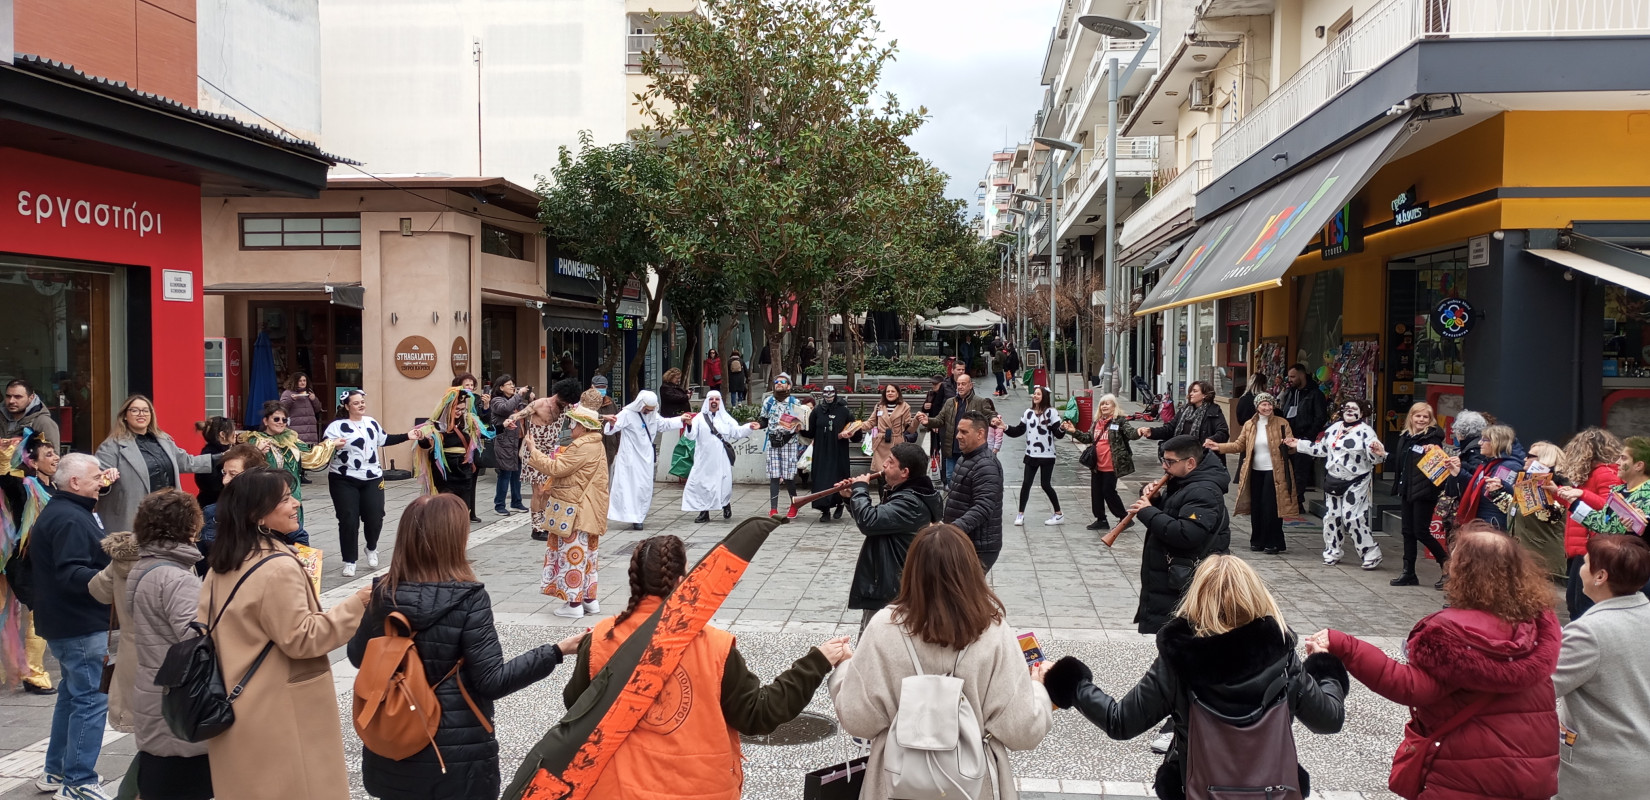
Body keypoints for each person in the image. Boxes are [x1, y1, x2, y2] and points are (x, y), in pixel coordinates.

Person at [559, 534, 852, 798]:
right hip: (700, 789)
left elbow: (576, 707)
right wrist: (817, 661)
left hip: (619, 789)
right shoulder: (714, 646)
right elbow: (757, 714)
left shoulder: (602, 638)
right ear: (681, 580)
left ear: (634, 578)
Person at [1045, 555, 1349, 800]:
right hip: (1274, 791)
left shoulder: (1179, 660)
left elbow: (1120, 721)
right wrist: (1323, 666)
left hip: (1197, 789)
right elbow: (1329, 719)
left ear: (1197, 598)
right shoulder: (1282, 658)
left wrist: (1072, 683)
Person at [348, 494, 578, 800]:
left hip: (392, 748)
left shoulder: (382, 593)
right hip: (456, 758)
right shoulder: (468, 599)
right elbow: (492, 680)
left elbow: (356, 656)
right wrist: (556, 651)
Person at [1307, 525, 1561, 800]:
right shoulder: (1535, 628)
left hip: (1463, 776)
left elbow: (1411, 686)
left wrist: (1346, 645)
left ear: (1463, 571)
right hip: (1531, 773)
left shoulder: (1450, 632)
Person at [830, 523, 1053, 800]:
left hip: (893, 783)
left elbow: (858, 720)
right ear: (972, 571)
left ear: (911, 571)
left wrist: (844, 669)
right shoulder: (995, 633)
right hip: (974, 786)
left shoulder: (882, 629)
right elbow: (1023, 731)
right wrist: (1038, 687)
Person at [200, 466, 373, 800]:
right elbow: (304, 638)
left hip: (235, 703)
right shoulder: (277, 566)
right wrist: (359, 602)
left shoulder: (226, 561)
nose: (295, 504)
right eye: (284, 499)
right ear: (258, 514)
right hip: (280, 712)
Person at [105, 490, 212, 800]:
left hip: (153, 691)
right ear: (188, 527)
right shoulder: (175, 577)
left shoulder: (146, 566)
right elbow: (195, 639)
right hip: (176, 701)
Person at [30, 453, 116, 800]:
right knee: (91, 700)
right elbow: (72, 573)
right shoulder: (69, 518)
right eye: (96, 477)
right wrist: (113, 576)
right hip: (78, 623)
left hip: (68, 622)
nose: (102, 482)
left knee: (72, 696)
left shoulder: (71, 511)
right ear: (76, 483)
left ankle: (57, 771)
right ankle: (78, 781)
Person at [1552, 534, 1650, 800]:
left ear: (1600, 576)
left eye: (1585, 564)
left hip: (1598, 768)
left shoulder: (1588, 632)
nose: (1580, 570)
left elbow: (1544, 686)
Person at [1130, 435, 1229, 637]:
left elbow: (1187, 534)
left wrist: (1148, 512)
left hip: (1187, 584)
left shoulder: (1204, 490)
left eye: (1170, 462)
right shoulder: (1185, 482)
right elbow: (1173, 511)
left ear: (1191, 463)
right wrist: (1156, 499)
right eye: (1163, 460)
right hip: (1173, 581)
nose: (1164, 467)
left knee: (1184, 644)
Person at [839, 443, 942, 631]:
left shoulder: (911, 502)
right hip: (889, 580)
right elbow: (877, 524)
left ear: (905, 472)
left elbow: (869, 521)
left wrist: (861, 488)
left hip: (891, 586)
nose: (884, 465)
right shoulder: (905, 494)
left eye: (890, 462)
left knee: (874, 642)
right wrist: (849, 498)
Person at [524, 405, 610, 620]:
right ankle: (589, 600)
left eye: (573, 423)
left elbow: (556, 468)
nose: (570, 427)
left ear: (582, 426)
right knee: (587, 556)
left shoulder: (582, 446)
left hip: (575, 510)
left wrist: (533, 451)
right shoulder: (595, 444)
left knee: (572, 555)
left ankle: (573, 604)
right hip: (588, 509)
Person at [95, 393, 222, 536]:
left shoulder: (164, 440)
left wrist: (223, 457)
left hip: (168, 514)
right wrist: (106, 480)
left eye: (145, 410)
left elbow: (187, 462)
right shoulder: (112, 446)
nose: (141, 414)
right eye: (135, 410)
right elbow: (98, 481)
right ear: (124, 415)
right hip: (133, 519)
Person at [325, 390, 415, 578]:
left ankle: (371, 547)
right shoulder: (336, 426)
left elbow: (384, 439)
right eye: (356, 403)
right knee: (348, 519)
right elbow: (324, 448)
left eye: (362, 402)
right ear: (347, 406)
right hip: (343, 478)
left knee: (376, 516)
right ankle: (349, 561)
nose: (361, 405)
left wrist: (408, 435)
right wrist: (333, 444)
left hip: (372, 477)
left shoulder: (371, 422)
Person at [1286, 399, 1385, 569]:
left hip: (1357, 480)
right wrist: (1299, 444)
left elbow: (1375, 457)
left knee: (1351, 516)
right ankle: (1332, 550)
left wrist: (1379, 453)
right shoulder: (1333, 429)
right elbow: (1321, 449)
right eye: (1347, 408)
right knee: (1332, 516)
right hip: (1333, 479)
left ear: (1361, 412)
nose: (1349, 411)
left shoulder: (1366, 432)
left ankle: (1370, 552)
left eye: (1354, 409)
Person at [0, 434, 60, 696]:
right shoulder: (25, 486)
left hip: (46, 561)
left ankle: (32, 673)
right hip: (23, 562)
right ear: (33, 463)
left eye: (55, 453)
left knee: (39, 616)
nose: (55, 457)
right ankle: (33, 675)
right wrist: (5, 455)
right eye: (48, 455)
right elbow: (4, 480)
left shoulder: (57, 488)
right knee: (20, 615)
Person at [1207, 391, 1298, 554]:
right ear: (1257, 407)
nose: (1267, 407)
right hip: (1255, 471)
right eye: (1264, 404)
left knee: (1271, 507)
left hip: (1275, 471)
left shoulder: (1282, 423)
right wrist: (1219, 447)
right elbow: (1239, 445)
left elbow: (1292, 449)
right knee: (1256, 507)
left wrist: (1291, 445)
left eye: (1270, 404)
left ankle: (1273, 542)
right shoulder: (1250, 424)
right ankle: (1257, 541)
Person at [1556, 427, 1624, 618]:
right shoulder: (1590, 474)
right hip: (1579, 546)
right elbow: (1577, 505)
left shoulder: (1604, 473)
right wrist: (1557, 492)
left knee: (1581, 605)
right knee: (1575, 602)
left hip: (1589, 547)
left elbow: (1610, 508)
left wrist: (1582, 494)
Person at [243, 399, 343, 527]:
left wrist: (332, 445)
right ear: (265, 421)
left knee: (295, 532)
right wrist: (258, 452)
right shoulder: (256, 440)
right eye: (276, 419)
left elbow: (310, 457)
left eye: (284, 420)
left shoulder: (291, 440)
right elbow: (246, 466)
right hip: (269, 495)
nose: (281, 423)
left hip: (293, 494)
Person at [508, 379, 582, 542]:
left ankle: (545, 523)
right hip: (534, 450)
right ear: (558, 394)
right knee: (539, 490)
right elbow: (519, 414)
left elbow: (584, 416)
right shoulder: (539, 404)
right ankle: (536, 527)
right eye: (564, 401)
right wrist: (509, 421)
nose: (565, 405)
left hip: (551, 452)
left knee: (548, 491)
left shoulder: (567, 406)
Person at [1386, 402, 1451, 587]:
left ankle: (1448, 567)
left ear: (1430, 420)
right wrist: (1384, 454)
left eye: (1425, 417)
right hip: (1407, 489)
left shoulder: (1432, 438)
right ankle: (1408, 573)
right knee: (1407, 532)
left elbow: (1439, 464)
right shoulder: (1406, 436)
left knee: (1421, 531)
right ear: (1411, 417)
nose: (1421, 420)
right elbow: (1403, 461)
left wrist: (1434, 450)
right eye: (1418, 416)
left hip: (1425, 491)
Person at [1490, 441, 1570, 582]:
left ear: (1544, 460)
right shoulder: (1528, 482)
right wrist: (1497, 492)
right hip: (1522, 557)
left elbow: (1549, 515)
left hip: (1543, 563)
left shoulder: (1558, 487)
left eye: (1530, 456)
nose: (1525, 459)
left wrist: (1539, 484)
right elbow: (1517, 509)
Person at [1064, 393, 1145, 532]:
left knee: (1108, 491)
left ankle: (1124, 518)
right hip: (1097, 465)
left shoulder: (1120, 421)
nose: (1104, 406)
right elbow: (1087, 438)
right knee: (1096, 493)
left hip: (1112, 465)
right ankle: (1101, 519)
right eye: (1102, 404)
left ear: (1114, 406)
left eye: (1108, 403)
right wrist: (1073, 431)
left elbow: (1131, 434)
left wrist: (1140, 431)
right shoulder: (1097, 422)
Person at [412, 388, 492, 523]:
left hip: (463, 471)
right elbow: (427, 444)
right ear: (449, 408)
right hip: (445, 472)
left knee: (463, 507)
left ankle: (460, 532)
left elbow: (486, 431)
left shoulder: (467, 421)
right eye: (457, 409)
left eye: (462, 409)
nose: (460, 412)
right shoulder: (436, 426)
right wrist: (421, 438)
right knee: (445, 507)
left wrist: (504, 425)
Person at [940, 411, 1006, 572]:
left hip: (979, 547)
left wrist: (953, 528)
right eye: (958, 431)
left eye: (964, 432)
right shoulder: (965, 458)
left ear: (980, 434)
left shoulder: (986, 465)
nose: (958, 436)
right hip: (963, 541)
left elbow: (983, 507)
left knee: (963, 594)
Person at [680, 391, 758, 523]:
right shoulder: (699, 418)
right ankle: (704, 512)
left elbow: (737, 432)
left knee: (724, 483)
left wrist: (749, 427)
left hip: (721, 458)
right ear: (708, 401)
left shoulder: (726, 418)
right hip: (704, 459)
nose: (714, 401)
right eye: (711, 399)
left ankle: (725, 504)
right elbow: (691, 435)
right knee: (703, 484)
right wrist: (689, 424)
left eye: (717, 399)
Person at [196, 443, 272, 573]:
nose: (225, 480)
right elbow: (201, 564)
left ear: (253, 477)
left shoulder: (273, 511)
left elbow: (301, 546)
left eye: (232, 474)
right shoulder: (212, 513)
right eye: (224, 473)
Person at [605, 390, 671, 532]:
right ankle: (634, 517)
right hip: (629, 459)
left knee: (643, 488)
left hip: (646, 459)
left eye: (650, 410)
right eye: (646, 409)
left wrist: (682, 420)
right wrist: (611, 424)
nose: (647, 412)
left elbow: (664, 424)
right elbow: (610, 429)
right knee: (629, 488)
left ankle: (639, 516)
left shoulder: (653, 415)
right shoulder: (627, 413)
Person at [918, 372, 997, 487]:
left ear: (970, 385)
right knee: (950, 478)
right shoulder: (950, 402)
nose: (960, 386)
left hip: (970, 449)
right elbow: (940, 420)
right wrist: (928, 421)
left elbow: (990, 414)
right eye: (958, 384)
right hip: (952, 448)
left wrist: (994, 419)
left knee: (968, 480)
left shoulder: (979, 402)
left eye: (963, 384)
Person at [1444, 423, 1523, 531]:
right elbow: (1478, 486)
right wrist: (1458, 472)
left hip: (1493, 524)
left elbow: (1491, 494)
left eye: (1484, 440)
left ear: (1496, 442)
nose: (1480, 443)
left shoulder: (1508, 466)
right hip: (1483, 521)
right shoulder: (1489, 463)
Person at [1005, 385, 1065, 526]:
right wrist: (1005, 427)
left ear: (1044, 396)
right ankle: (1020, 514)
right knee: (1026, 484)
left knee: (1046, 484)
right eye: (1034, 394)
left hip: (1047, 455)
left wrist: (1062, 428)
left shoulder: (1052, 412)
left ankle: (1058, 514)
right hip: (1031, 454)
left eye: (1038, 394)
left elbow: (1058, 434)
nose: (1035, 396)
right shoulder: (1028, 413)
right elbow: (1018, 430)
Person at [803, 386, 859, 522]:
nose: (828, 396)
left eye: (831, 393)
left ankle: (840, 503)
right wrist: (799, 428)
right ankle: (825, 510)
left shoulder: (844, 411)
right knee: (821, 480)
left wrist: (850, 433)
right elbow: (810, 432)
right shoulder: (817, 411)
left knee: (838, 478)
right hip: (821, 452)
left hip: (838, 452)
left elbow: (855, 433)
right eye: (825, 393)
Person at [753, 375, 806, 518]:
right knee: (774, 476)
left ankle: (794, 505)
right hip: (773, 442)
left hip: (789, 442)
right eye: (776, 382)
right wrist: (759, 425)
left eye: (783, 382)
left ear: (789, 386)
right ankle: (773, 509)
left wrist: (798, 427)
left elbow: (801, 423)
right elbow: (764, 420)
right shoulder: (768, 401)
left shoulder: (795, 403)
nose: (779, 384)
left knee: (789, 476)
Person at [1278, 364, 1329, 507]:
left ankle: (1297, 500)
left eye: (1293, 376)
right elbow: (1285, 411)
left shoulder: (1315, 394)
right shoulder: (1291, 393)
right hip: (1289, 436)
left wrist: (1309, 435)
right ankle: (1289, 498)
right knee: (1288, 469)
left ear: (1302, 375)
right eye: (1290, 377)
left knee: (1301, 471)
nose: (1290, 380)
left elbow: (1320, 417)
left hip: (1304, 437)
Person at [1139, 380, 1229, 452]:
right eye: (1190, 391)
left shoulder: (1213, 411)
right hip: (1182, 456)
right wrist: (1152, 432)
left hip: (1202, 457)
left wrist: (1211, 440)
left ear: (1205, 395)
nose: (1191, 394)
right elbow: (1169, 429)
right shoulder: (1184, 410)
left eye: (1195, 391)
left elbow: (1223, 432)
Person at [487, 374, 532, 517]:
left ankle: (516, 502)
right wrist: (518, 395)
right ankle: (499, 504)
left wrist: (530, 398)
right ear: (501, 387)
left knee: (517, 473)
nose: (512, 386)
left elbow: (526, 410)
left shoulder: (516, 400)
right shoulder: (496, 401)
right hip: (504, 442)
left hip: (518, 441)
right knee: (505, 473)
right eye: (509, 384)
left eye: (513, 384)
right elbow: (506, 409)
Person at [865, 384, 919, 484]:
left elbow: (910, 427)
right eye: (888, 391)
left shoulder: (905, 407)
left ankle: (894, 497)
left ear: (898, 393)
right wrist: (855, 427)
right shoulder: (879, 406)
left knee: (896, 473)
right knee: (881, 474)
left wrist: (917, 420)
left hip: (896, 443)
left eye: (893, 391)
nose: (890, 393)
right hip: (881, 444)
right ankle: (882, 498)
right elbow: (870, 422)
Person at [192, 416, 237, 508]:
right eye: (233, 431)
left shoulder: (229, 450)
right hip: (213, 505)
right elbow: (211, 485)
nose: (235, 434)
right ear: (222, 434)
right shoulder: (209, 455)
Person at [3, 378, 61, 449]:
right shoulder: (1, 418)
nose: (11, 401)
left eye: (18, 397)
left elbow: (53, 457)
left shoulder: (43, 423)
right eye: (8, 396)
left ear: (31, 397)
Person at [1232, 372, 1268, 481]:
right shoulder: (1264, 400)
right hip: (1264, 436)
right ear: (1263, 385)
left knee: (1246, 463)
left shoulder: (1243, 399)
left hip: (1247, 435)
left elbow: (1240, 419)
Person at [278, 372, 324, 452]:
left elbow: (318, 409)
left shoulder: (309, 392)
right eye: (300, 381)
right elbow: (281, 408)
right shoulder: (288, 393)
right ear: (294, 382)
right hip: (296, 428)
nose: (303, 383)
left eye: (304, 380)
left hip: (310, 429)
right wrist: (291, 399)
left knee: (310, 452)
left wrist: (314, 399)